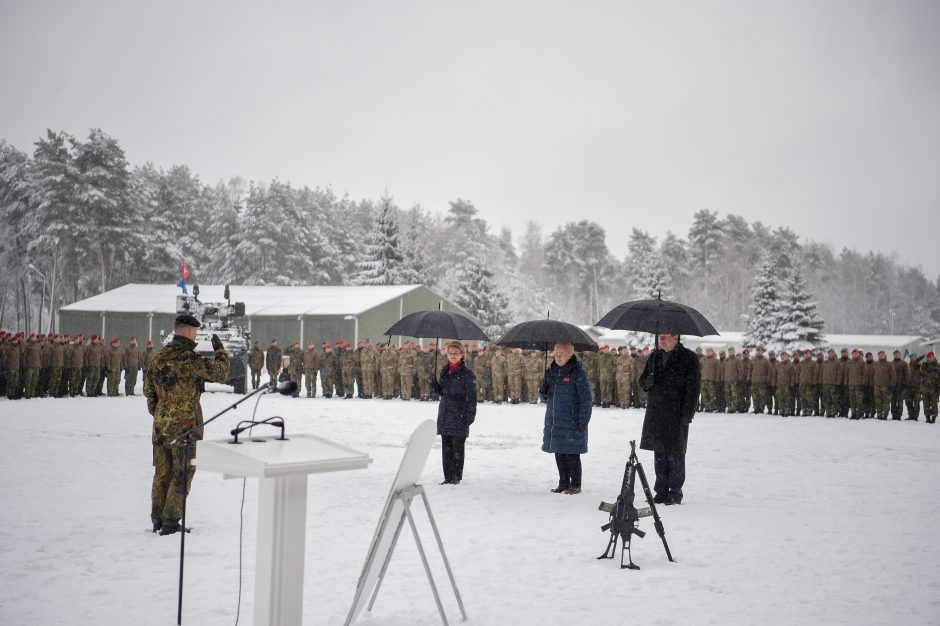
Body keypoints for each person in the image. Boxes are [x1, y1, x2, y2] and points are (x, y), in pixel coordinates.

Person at [144, 314, 230, 536]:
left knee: (162, 472)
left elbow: (149, 393)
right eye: (196, 333)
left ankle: (157, 519)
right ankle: (171, 521)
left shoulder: (158, 358)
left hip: (161, 426)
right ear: (190, 332)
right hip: (186, 428)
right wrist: (220, 352)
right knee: (182, 473)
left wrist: (162, 413)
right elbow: (220, 373)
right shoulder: (190, 359)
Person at [638, 333, 700, 506]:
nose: (661, 340)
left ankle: (675, 492)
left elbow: (694, 388)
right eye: (661, 337)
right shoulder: (655, 356)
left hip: (676, 413)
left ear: (676, 337)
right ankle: (661, 490)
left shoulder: (688, 358)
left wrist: (688, 413)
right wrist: (647, 382)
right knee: (659, 454)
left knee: (675, 454)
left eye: (665, 337)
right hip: (656, 413)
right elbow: (641, 380)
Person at [539, 341, 592, 495]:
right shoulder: (551, 372)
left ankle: (575, 485)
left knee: (572, 454)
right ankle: (563, 483)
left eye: (561, 354)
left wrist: (583, 420)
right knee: (559, 452)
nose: (558, 357)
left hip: (572, 421)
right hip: (555, 420)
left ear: (570, 355)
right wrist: (542, 391)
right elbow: (545, 397)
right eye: (556, 354)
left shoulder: (577, 373)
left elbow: (586, 399)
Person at [430, 341, 477, 485]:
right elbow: (442, 392)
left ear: (462, 355)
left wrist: (470, 415)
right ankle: (447, 476)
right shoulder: (445, 370)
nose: (453, 355)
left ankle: (456, 477)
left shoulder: (467, 374)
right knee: (446, 447)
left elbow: (472, 397)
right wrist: (434, 384)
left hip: (459, 413)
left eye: (456, 353)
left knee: (457, 447)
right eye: (450, 353)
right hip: (445, 412)